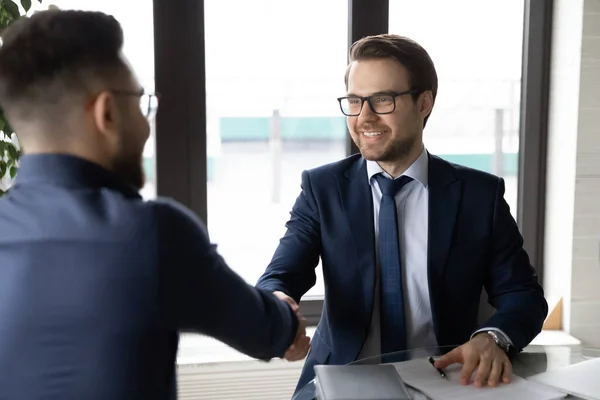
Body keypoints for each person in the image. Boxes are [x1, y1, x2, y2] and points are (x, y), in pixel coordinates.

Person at [0, 9, 309, 400]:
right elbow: (269, 333)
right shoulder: (150, 234)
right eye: (142, 102)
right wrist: (284, 321)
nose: (147, 124)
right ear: (107, 112)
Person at [256, 34, 548, 394]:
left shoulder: (478, 195)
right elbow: (281, 276)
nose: (364, 117)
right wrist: (276, 307)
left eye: (382, 99)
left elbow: (523, 295)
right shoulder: (323, 188)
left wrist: (492, 338)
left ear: (423, 103)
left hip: (448, 377)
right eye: (354, 100)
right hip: (343, 379)